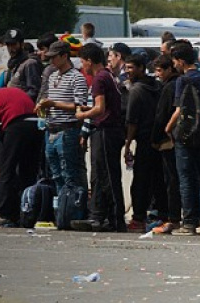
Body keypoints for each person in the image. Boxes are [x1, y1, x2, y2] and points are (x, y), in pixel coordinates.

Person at [165, 41, 200, 236]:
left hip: (186, 136)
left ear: (180, 61)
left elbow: (180, 110)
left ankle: (189, 222)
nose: (174, 65)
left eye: (174, 61)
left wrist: (168, 128)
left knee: (187, 179)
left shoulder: (183, 80)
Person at [73, 43, 126, 232]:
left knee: (108, 176)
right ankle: (99, 215)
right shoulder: (108, 75)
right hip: (106, 130)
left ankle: (115, 219)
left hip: (105, 130)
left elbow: (100, 108)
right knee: (99, 175)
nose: (82, 66)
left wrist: (82, 115)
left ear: (89, 60)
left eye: (82, 62)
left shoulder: (99, 79)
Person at [0, 86, 42, 228]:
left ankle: (3, 215)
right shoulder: (6, 92)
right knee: (28, 172)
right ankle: (27, 213)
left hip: (16, 125)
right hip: (35, 124)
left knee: (5, 171)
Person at [36, 40, 91, 201]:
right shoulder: (53, 76)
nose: (51, 61)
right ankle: (63, 208)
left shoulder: (77, 77)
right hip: (50, 129)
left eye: (54, 57)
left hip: (67, 131)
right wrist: (44, 107)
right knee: (56, 175)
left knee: (70, 173)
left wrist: (53, 104)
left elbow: (80, 106)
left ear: (64, 56)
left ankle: (75, 208)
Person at [124, 54, 165, 231]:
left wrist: (127, 144)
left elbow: (132, 122)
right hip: (159, 140)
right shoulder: (158, 86)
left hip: (145, 140)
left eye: (131, 68)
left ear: (141, 68)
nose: (127, 72)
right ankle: (162, 215)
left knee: (140, 181)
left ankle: (138, 218)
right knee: (159, 180)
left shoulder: (136, 91)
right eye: (126, 68)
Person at [150, 55, 182, 234]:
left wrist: (155, 138)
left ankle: (173, 218)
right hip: (179, 138)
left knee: (171, 180)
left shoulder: (170, 87)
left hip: (168, 140)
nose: (158, 74)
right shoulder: (178, 83)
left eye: (161, 70)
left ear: (170, 69)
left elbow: (161, 115)